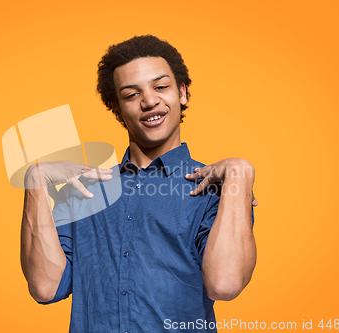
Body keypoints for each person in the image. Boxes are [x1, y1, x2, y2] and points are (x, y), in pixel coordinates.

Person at [20, 35, 257, 332]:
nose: (149, 101)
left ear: (181, 92)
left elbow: (225, 284)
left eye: (161, 87)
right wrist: (35, 181)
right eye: (131, 95)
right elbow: (45, 287)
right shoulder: (84, 190)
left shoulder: (216, 188)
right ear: (116, 108)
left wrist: (241, 172)